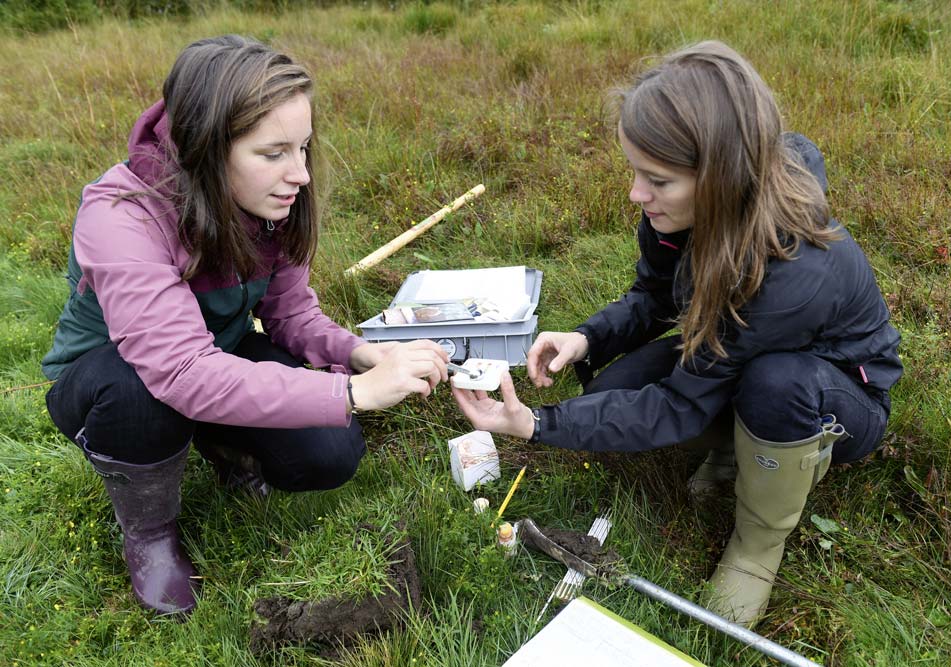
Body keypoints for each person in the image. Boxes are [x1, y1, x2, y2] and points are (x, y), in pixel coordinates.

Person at [452, 41, 902, 628]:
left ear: (720, 177)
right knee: (609, 390)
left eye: (657, 180)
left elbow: (679, 405)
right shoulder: (681, 211)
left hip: (837, 396)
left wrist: (536, 424)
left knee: (775, 384)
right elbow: (657, 295)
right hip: (735, 347)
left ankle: (759, 541)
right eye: (636, 172)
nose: (638, 195)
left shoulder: (795, 272)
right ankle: (736, 447)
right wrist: (588, 338)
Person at [41, 35, 450, 616]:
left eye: (304, 148)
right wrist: (354, 392)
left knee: (329, 452)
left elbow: (290, 313)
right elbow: (181, 371)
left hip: (218, 355)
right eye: (274, 152)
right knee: (140, 394)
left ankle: (218, 444)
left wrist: (362, 355)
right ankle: (151, 533)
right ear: (208, 147)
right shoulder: (120, 216)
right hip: (111, 381)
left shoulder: (272, 204)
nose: (301, 174)